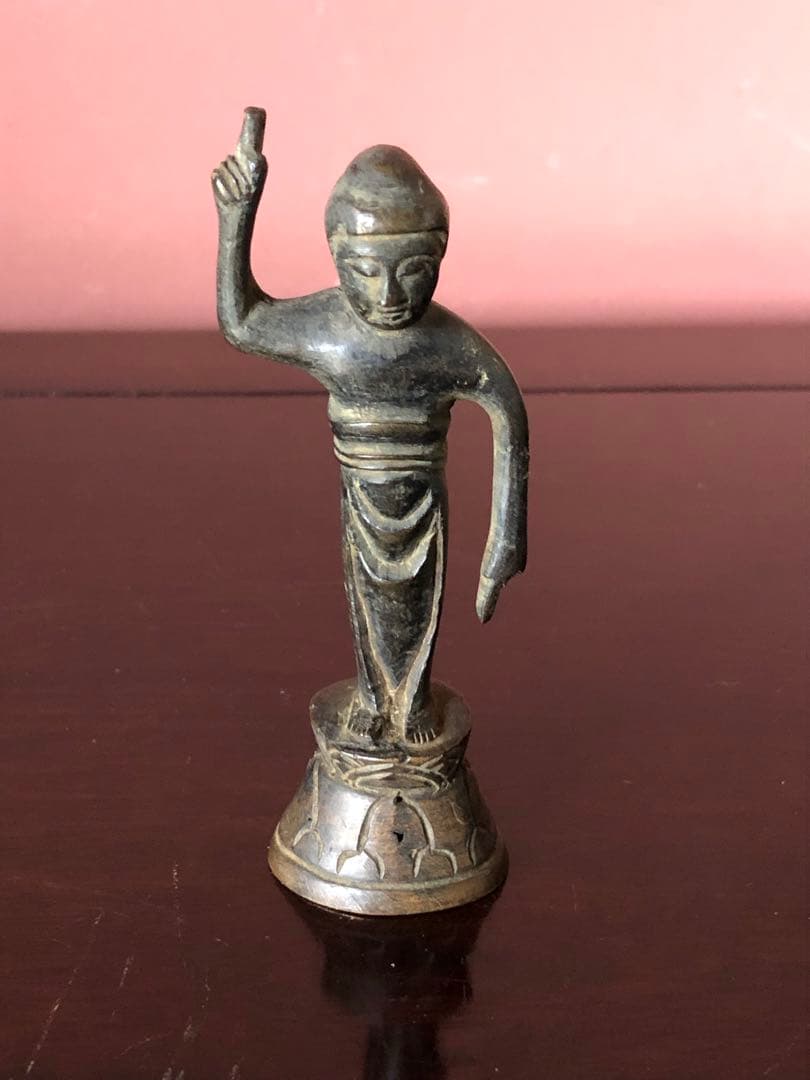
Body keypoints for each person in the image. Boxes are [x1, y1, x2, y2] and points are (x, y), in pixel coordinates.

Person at [212, 108, 528, 745]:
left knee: (418, 593)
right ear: (336, 258)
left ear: (439, 258)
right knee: (365, 592)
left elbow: (509, 417)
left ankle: (411, 701)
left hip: (422, 495)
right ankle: (375, 696)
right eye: (364, 271)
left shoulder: (451, 346)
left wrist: (504, 545)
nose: (388, 296)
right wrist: (235, 221)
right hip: (360, 492)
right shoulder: (328, 331)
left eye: (412, 270)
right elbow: (242, 323)